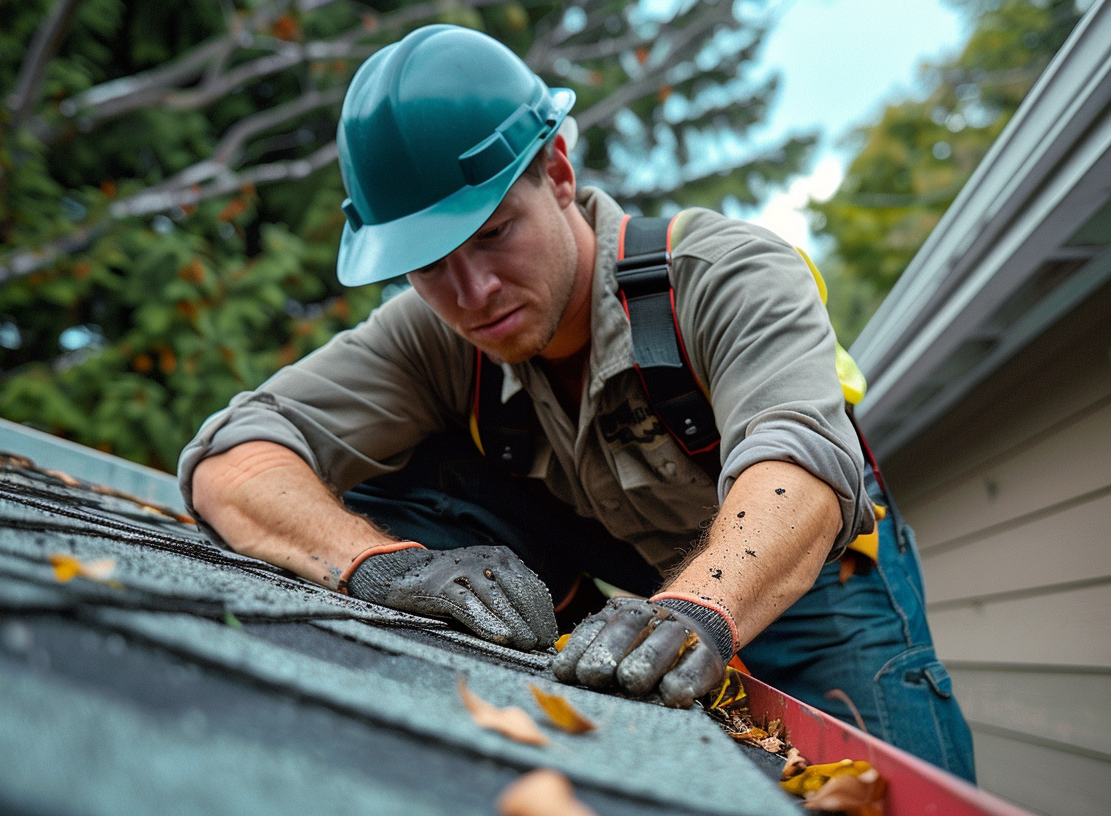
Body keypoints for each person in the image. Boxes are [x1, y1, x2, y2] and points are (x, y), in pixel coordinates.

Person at [179, 24, 974, 779]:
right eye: (429, 264)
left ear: (558, 171)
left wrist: (698, 613)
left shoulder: (722, 272)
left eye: (493, 234)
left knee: (884, 784)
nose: (471, 294)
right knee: (392, 487)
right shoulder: (432, 336)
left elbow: (797, 461)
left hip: (813, 582)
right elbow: (233, 456)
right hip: (634, 584)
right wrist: (379, 567)